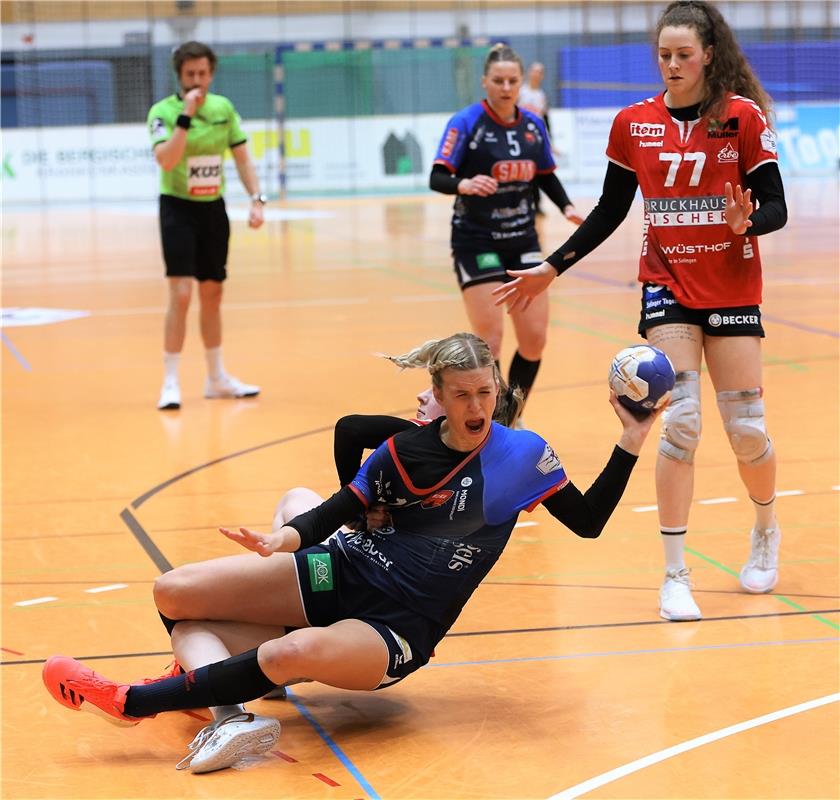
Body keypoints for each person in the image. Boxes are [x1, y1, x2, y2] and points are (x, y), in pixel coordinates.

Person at [43, 332, 659, 773]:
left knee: (292, 649)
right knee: (175, 593)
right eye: (463, 395)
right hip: (343, 570)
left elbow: (589, 522)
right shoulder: (403, 452)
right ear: (437, 395)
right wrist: (278, 540)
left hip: (396, 626)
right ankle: (228, 713)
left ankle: (131, 702)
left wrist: (632, 438)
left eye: (486, 393)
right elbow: (331, 513)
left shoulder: (523, 456)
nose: (478, 408)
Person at [493, 0, 788, 622]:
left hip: (733, 288)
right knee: (679, 425)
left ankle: (765, 525)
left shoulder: (743, 118)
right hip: (667, 286)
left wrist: (748, 221)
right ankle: (674, 575)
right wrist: (552, 267)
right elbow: (609, 208)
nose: (672, 65)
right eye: (664, 55)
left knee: (747, 431)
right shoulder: (634, 123)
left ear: (709, 54)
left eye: (684, 55)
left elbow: (774, 207)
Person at [430, 44, 584, 407]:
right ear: (485, 81)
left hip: (522, 240)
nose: (506, 87)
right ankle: (493, 420)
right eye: (498, 80)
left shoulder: (532, 125)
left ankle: (512, 414)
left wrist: (567, 206)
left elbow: (545, 175)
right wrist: (463, 184)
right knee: (491, 339)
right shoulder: (466, 122)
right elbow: (437, 177)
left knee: (534, 340)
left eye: (512, 80)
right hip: (476, 240)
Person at [148, 41, 267, 411]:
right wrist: (185, 116)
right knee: (181, 294)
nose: (196, 80)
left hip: (212, 209)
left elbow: (243, 159)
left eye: (202, 73)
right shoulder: (163, 112)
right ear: (179, 76)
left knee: (213, 293)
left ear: (211, 73)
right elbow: (166, 160)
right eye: (189, 75)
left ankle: (216, 378)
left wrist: (256, 198)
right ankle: (170, 381)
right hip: (177, 208)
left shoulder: (223, 109)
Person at [517, 61, 552, 216]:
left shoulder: (541, 96)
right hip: (519, 137)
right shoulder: (520, 92)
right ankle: (519, 204)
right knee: (521, 172)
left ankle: (536, 205)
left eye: (539, 71)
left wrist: (549, 139)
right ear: (529, 73)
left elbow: (545, 119)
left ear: (542, 76)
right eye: (533, 71)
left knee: (537, 172)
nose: (536, 74)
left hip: (535, 139)